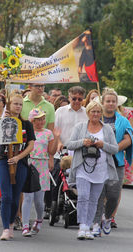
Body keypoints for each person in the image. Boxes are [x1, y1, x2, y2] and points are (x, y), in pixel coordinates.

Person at [67, 101, 119, 240]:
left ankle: (89, 226)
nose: (95, 114)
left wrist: (103, 145)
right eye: (93, 111)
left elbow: (115, 148)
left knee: (94, 200)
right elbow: (69, 144)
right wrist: (83, 142)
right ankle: (82, 226)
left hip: (101, 170)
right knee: (83, 196)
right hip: (82, 169)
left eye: (98, 112)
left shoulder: (107, 129)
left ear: (101, 113)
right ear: (88, 113)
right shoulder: (80, 127)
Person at [93, 88, 133, 236]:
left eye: (113, 101)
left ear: (117, 103)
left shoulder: (122, 120)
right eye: (108, 101)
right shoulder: (96, 118)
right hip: (97, 162)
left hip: (116, 163)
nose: (111, 104)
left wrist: (114, 148)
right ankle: (96, 224)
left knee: (113, 195)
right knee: (98, 194)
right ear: (102, 103)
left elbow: (129, 138)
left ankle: (108, 217)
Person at [0, 93, 35, 241]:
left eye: (20, 104)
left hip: (21, 162)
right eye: (15, 104)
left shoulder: (27, 124)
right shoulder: (1, 122)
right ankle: (5, 228)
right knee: (6, 196)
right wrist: (6, 122)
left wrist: (18, 157)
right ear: (9, 105)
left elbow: (31, 144)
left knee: (16, 196)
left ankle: (11, 223)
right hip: (4, 161)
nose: (18, 106)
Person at [48, 86, 88, 220]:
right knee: (56, 178)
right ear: (69, 97)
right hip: (62, 150)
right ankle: (53, 204)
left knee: (78, 180)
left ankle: (75, 205)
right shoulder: (60, 111)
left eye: (79, 99)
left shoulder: (86, 113)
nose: (77, 101)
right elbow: (55, 130)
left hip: (79, 151)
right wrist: (58, 142)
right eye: (74, 98)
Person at [21, 108, 59, 237]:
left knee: (38, 199)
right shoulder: (26, 132)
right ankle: (25, 225)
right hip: (29, 163)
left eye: (43, 119)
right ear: (32, 121)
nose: (41, 121)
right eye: (38, 119)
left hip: (42, 165)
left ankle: (39, 220)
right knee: (27, 197)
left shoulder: (48, 133)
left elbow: (51, 151)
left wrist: (57, 138)